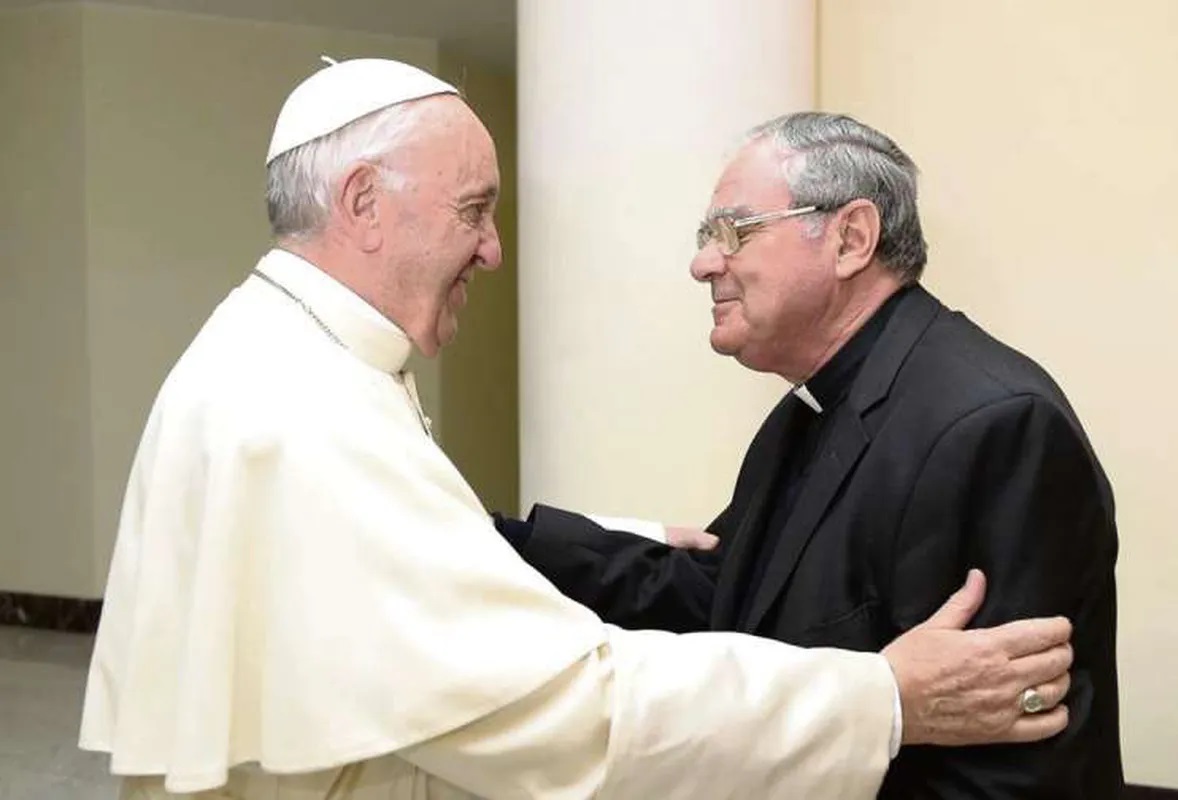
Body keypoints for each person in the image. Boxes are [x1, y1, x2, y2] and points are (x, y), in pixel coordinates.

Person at [79, 60, 1075, 800]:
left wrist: (603, 540)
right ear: (363, 204)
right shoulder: (303, 407)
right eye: (474, 208)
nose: (493, 247)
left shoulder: (280, 357)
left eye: (733, 231)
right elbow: (580, 708)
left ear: (852, 238)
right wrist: (883, 697)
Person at [494, 111, 1123, 798]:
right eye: (706, 236)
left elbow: (1008, 759)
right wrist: (496, 543)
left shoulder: (994, 425)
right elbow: (727, 600)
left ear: (851, 239)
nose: (704, 262)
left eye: (732, 230)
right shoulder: (808, 408)